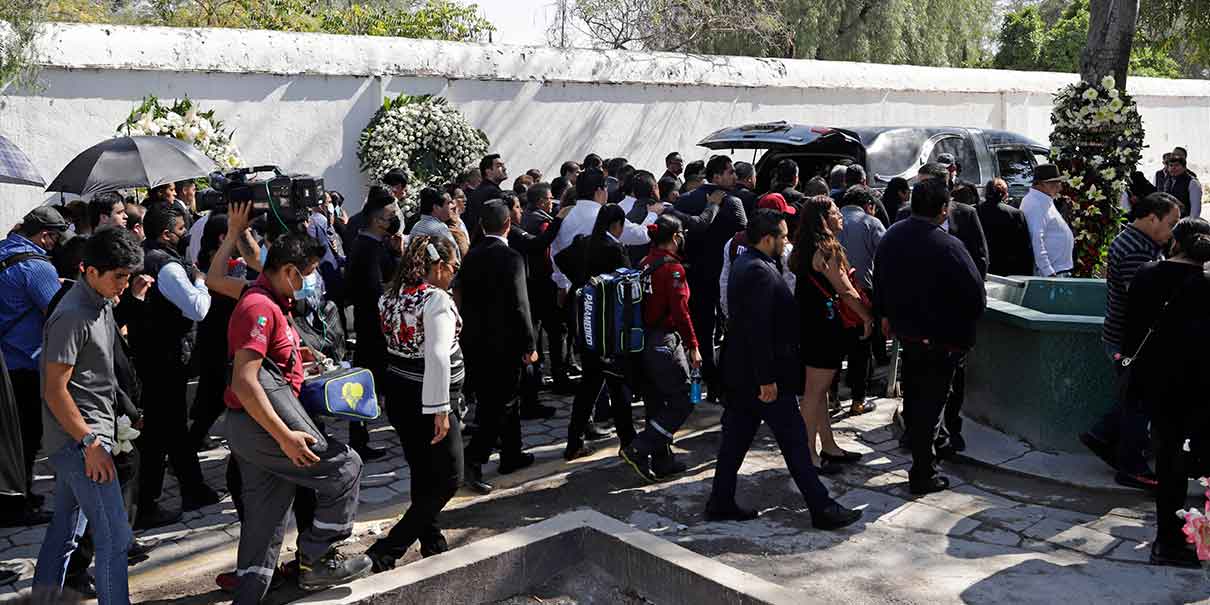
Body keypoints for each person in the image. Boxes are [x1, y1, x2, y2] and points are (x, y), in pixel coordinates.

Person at [224, 232, 372, 601]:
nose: (310, 282)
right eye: (307, 273)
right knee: (344, 467)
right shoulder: (258, 308)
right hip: (263, 423)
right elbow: (245, 382)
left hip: (254, 424)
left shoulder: (273, 300)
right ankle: (318, 558)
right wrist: (283, 437)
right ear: (289, 272)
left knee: (266, 516)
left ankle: (249, 589)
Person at [709, 209, 863, 530]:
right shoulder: (758, 272)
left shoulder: (749, 263)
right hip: (762, 379)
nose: (786, 241)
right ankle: (821, 507)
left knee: (735, 441)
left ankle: (720, 500)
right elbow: (758, 329)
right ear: (767, 239)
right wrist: (767, 379)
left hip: (744, 375)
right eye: (782, 236)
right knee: (794, 442)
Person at [31, 228, 145, 605]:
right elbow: (54, 390)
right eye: (119, 277)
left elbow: (100, 372)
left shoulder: (101, 301)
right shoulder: (72, 315)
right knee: (114, 537)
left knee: (66, 530)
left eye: (128, 277)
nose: (124, 285)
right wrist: (90, 442)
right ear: (90, 271)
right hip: (81, 444)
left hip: (91, 435)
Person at [873, 179, 985, 494]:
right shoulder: (949, 246)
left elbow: (878, 278)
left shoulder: (893, 236)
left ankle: (920, 450)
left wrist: (886, 315)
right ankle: (923, 471)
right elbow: (976, 297)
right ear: (942, 209)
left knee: (915, 396)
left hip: (908, 335)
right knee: (932, 404)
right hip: (941, 340)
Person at [367, 236, 463, 571]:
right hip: (429, 397)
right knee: (450, 477)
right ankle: (389, 547)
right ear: (438, 268)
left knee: (422, 470)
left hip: (399, 392)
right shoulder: (435, 299)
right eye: (453, 267)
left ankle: (431, 538)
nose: (453, 275)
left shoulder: (391, 295)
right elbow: (437, 355)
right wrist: (440, 409)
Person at [1082, 192, 1181, 491]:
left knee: (1134, 397)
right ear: (1152, 218)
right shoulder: (1137, 250)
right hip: (1131, 341)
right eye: (1171, 223)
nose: (1172, 230)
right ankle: (1130, 466)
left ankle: (1100, 435)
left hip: (1124, 337)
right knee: (1140, 401)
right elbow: (1144, 299)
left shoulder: (1138, 241)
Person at [1126, 218, 1210, 568]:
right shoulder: (1205, 285)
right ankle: (1183, 537)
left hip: (1161, 386)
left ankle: (1170, 541)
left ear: (1175, 241)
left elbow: (1130, 328)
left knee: (1170, 464)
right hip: (1201, 386)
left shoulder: (1147, 275)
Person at [130, 204, 219, 528]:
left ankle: (191, 488)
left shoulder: (146, 255)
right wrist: (200, 281)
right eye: (182, 229)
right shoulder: (167, 266)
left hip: (154, 355)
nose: (186, 234)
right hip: (164, 357)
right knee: (159, 432)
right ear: (167, 233)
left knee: (171, 429)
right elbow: (197, 309)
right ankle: (147, 504)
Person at [457, 201, 539, 494]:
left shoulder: (472, 255)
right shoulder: (511, 257)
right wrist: (529, 343)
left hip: (475, 341)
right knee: (499, 405)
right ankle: (473, 459)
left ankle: (512, 454)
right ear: (508, 225)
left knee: (506, 400)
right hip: (504, 344)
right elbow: (520, 304)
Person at [792, 195, 876, 477]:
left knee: (820, 391)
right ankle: (808, 455)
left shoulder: (805, 247)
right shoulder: (827, 248)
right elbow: (846, 290)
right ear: (823, 220)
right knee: (814, 393)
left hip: (810, 324)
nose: (841, 216)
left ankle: (828, 446)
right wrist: (867, 316)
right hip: (823, 327)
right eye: (836, 212)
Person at [0, 207, 69, 527]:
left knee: (9, 441)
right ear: (44, 236)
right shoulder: (36, 266)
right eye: (55, 238)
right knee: (27, 440)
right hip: (25, 365)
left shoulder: (3, 252)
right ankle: (18, 506)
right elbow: (59, 314)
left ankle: (15, 496)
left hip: (5, 364)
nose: (56, 245)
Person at [618, 214, 701, 481]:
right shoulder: (673, 269)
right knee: (684, 398)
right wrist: (694, 346)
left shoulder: (645, 263)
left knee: (656, 401)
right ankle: (639, 448)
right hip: (664, 341)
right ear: (676, 237)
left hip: (643, 342)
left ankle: (663, 460)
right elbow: (681, 313)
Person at [674, 155, 748, 402]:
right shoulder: (733, 202)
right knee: (730, 326)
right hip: (726, 274)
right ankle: (725, 380)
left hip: (697, 273)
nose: (734, 177)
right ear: (716, 176)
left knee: (704, 330)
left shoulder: (686, 200)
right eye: (729, 173)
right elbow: (743, 236)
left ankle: (710, 380)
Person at [345, 187, 402, 462]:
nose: (395, 219)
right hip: (373, 330)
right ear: (378, 220)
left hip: (376, 327)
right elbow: (376, 293)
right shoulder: (366, 249)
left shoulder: (376, 245)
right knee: (369, 386)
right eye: (391, 215)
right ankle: (359, 440)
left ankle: (362, 438)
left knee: (376, 386)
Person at [835, 187, 885, 416]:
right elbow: (885, 257)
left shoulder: (829, 220)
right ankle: (857, 400)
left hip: (831, 294)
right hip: (862, 294)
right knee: (861, 348)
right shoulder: (871, 223)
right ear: (868, 205)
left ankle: (831, 397)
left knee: (833, 349)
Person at [719, 193, 796, 321]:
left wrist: (729, 314)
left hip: (740, 320)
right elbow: (790, 286)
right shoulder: (784, 249)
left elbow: (725, 282)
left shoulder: (733, 242)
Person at [1020, 164, 1074, 277]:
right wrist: (1047, 270)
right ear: (1042, 184)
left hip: (1058, 269)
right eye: (1055, 183)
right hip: (1052, 272)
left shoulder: (1043, 199)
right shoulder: (1035, 203)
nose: (1059, 188)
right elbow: (1036, 238)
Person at [977, 178, 1034, 277]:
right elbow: (1023, 246)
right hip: (1008, 268)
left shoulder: (975, 211)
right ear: (1005, 194)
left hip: (983, 266)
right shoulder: (1015, 214)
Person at [465, 153, 507, 235]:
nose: (504, 168)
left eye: (503, 165)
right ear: (488, 171)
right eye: (499, 166)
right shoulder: (492, 193)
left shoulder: (481, 190)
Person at [409, 187, 459, 255]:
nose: (452, 206)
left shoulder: (416, 226)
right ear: (436, 207)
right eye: (448, 203)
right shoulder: (439, 228)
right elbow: (455, 255)